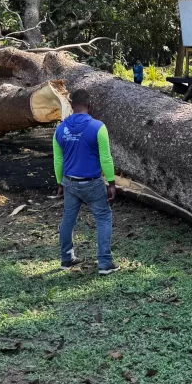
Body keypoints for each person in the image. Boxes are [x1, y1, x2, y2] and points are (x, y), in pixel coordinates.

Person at [53, 89, 120, 275]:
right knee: (104, 217)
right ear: (90, 106)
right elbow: (105, 158)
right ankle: (105, 263)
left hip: (70, 182)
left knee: (68, 219)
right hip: (92, 182)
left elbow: (58, 160)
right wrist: (112, 183)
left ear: (72, 106)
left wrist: (60, 183)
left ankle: (66, 259)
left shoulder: (61, 129)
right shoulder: (98, 127)